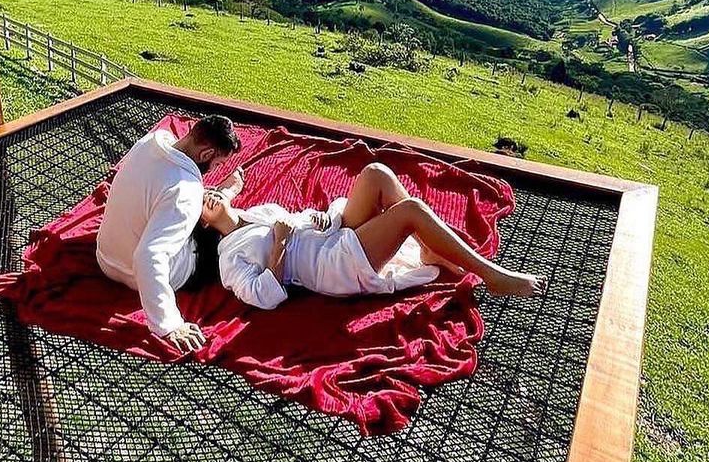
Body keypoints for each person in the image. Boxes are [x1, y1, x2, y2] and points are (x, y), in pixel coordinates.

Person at [202, 161, 546, 309]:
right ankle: (492, 275)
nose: (209, 196)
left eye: (208, 191)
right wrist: (280, 244)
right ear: (203, 225)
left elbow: (290, 220)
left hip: (330, 233)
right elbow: (265, 297)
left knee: (376, 173)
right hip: (330, 265)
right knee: (411, 211)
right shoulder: (229, 259)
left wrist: (316, 218)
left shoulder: (257, 212)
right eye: (202, 204)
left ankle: (429, 247)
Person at [96, 115, 241, 351]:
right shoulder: (185, 192)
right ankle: (224, 197)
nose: (214, 170)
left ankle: (221, 198)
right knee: (223, 235)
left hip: (105, 256)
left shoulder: (150, 142)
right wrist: (170, 325)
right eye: (217, 165)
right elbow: (148, 256)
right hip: (135, 275)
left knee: (187, 212)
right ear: (206, 155)